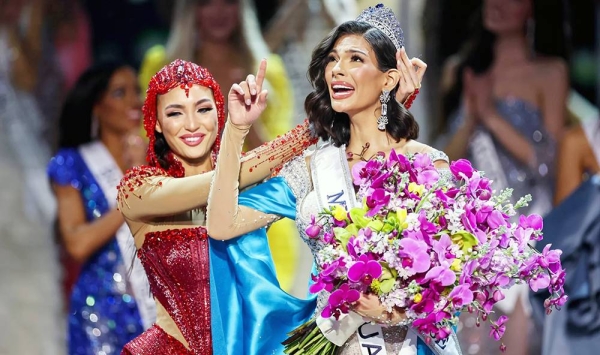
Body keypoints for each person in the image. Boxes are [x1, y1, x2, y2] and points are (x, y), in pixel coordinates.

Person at [206, 5, 461, 355]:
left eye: (355, 58)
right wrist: (236, 128)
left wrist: (392, 311)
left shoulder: (426, 164)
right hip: (336, 342)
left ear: (388, 79)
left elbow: (454, 281)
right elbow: (222, 224)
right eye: (333, 60)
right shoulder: (314, 167)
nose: (338, 70)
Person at [116, 59, 318, 354]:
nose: (192, 124)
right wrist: (312, 129)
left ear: (219, 111)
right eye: (175, 113)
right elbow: (220, 183)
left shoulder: (249, 187)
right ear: (157, 123)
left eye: (203, 109)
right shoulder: (138, 191)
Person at [436, 0, 569, 353]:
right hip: (468, 233)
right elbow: (439, 163)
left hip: (525, 234)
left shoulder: (549, 73)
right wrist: (470, 120)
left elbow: (550, 164)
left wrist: (491, 115)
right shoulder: (460, 71)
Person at [47, 62, 153, 355]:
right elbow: (77, 244)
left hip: (157, 308)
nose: (135, 101)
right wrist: (133, 192)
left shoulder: (160, 158)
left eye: (137, 91)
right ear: (97, 106)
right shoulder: (73, 164)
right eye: (120, 93)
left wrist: (147, 167)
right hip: (100, 316)